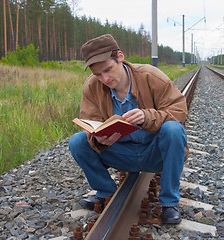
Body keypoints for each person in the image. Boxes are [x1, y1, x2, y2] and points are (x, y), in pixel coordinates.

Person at [69, 34, 188, 224]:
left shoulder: (150, 76)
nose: (105, 78)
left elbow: (179, 109)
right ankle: (106, 194)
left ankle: (169, 203)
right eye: (98, 74)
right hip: (120, 154)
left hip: (154, 153)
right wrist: (97, 139)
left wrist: (148, 116)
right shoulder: (92, 87)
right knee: (77, 142)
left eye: (108, 70)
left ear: (120, 57)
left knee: (173, 130)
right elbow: (90, 121)